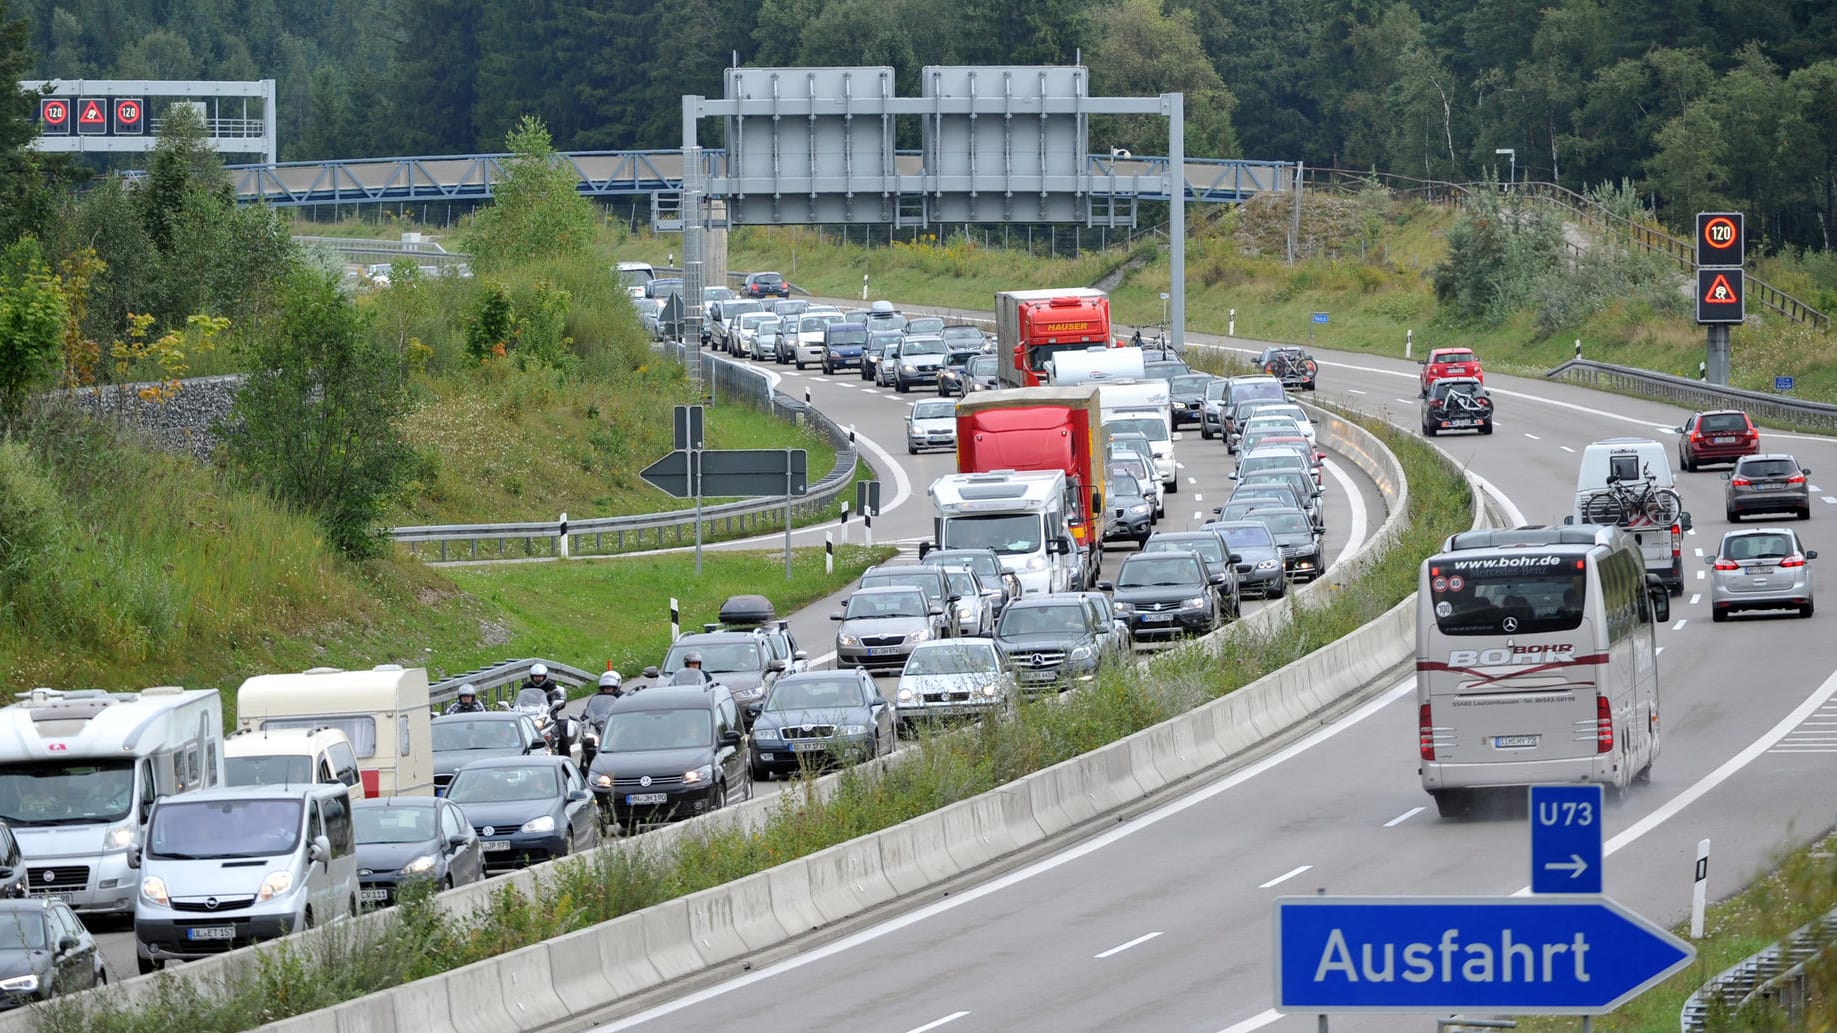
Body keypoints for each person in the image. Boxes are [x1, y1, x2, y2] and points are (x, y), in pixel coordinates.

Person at [522, 664, 570, 758]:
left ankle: (566, 758)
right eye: (535, 677)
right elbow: (520, 701)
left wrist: (557, 704)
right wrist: (514, 706)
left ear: (544, 676)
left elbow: (557, 698)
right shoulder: (526, 687)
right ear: (532, 677)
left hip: (548, 715)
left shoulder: (551, 686)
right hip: (530, 715)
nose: (538, 679)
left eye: (540, 677)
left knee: (563, 735)